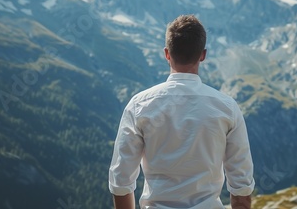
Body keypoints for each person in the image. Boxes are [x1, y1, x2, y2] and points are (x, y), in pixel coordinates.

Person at [109, 14, 255, 209]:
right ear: (203, 55)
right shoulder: (227, 107)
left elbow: (121, 181)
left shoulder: (139, 105)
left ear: (167, 54)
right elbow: (241, 185)